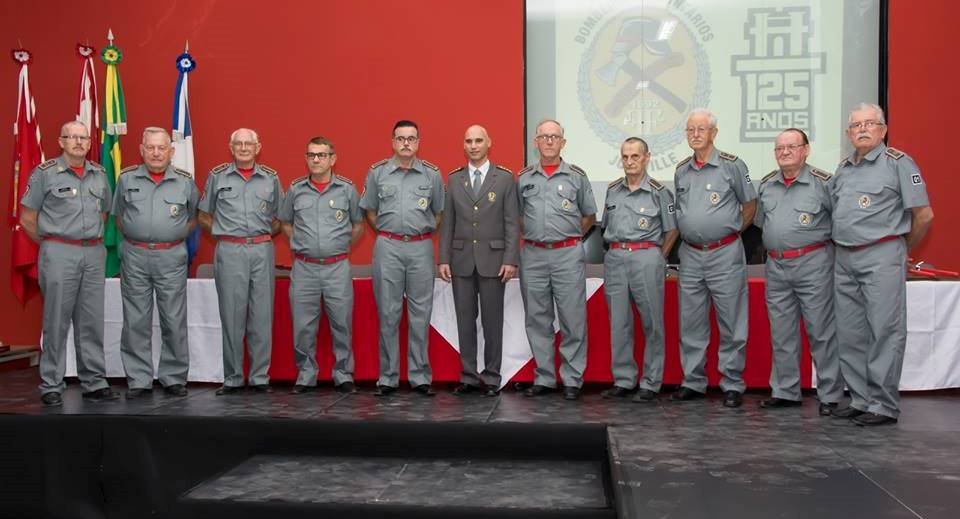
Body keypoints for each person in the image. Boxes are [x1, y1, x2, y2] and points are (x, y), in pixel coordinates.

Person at [830, 103, 934, 426]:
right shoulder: (843, 168)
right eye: (856, 125)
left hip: (882, 254)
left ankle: (883, 405)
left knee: (884, 331)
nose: (861, 129)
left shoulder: (898, 164)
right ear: (848, 133)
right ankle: (861, 399)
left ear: (883, 129)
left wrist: (899, 248)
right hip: (844, 257)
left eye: (869, 124)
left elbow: (924, 215)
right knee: (850, 333)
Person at [20, 121, 118, 406]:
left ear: (89, 143)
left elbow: (103, 215)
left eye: (83, 138)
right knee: (56, 320)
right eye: (71, 137)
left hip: (92, 253)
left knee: (91, 321)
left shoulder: (99, 174)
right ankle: (52, 382)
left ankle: (94, 381)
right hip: (59, 251)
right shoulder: (45, 174)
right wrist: (54, 245)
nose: (78, 142)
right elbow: (27, 219)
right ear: (61, 141)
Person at [754, 128, 843, 415]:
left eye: (791, 147)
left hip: (813, 263)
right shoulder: (767, 186)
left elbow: (840, 223)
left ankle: (829, 395)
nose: (785, 153)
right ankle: (785, 391)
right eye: (779, 148)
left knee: (821, 331)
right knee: (782, 333)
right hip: (777, 265)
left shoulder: (824, 184)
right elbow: (761, 223)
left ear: (806, 150)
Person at [673, 108, 757, 408]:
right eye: (690, 130)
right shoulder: (681, 170)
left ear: (714, 133)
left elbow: (750, 205)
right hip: (691, 255)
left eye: (701, 129)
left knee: (731, 320)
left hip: (725, 253)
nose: (695, 134)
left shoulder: (732, 166)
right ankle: (693, 381)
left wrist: (730, 232)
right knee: (691, 322)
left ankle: (732, 383)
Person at [359, 120, 445, 396]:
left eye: (411, 138)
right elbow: (370, 211)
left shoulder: (432, 175)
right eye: (401, 138)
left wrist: (419, 232)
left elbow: (439, 213)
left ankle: (420, 377)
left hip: (420, 249)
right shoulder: (377, 173)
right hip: (388, 247)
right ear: (393, 142)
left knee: (420, 315)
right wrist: (389, 233)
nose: (406, 143)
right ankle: (388, 377)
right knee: (388, 313)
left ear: (418, 142)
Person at [112, 127, 199, 398]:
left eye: (161, 148)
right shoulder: (126, 179)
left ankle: (173, 377)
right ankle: (139, 379)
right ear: (142, 150)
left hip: (171, 256)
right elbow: (118, 216)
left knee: (173, 318)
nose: (156, 153)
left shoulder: (185, 182)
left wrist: (172, 236)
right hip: (135, 255)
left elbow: (195, 217)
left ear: (171, 152)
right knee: (135, 320)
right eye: (150, 147)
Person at [198, 128, 282, 395]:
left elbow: (281, 218)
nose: (244, 148)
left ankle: (259, 378)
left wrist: (262, 236)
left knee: (261, 315)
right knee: (232, 316)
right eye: (239, 143)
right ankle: (233, 377)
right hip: (230, 251)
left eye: (249, 144)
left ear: (258, 148)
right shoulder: (217, 176)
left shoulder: (271, 178)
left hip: (261, 250)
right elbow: (203, 215)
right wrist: (224, 233)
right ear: (230, 147)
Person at [517, 119, 597, 401]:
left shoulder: (577, 176)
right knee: (537, 318)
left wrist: (570, 237)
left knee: (572, 317)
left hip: (567, 254)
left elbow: (589, 216)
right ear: (535, 142)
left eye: (554, 137)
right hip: (533, 254)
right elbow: (517, 216)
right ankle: (545, 377)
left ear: (563, 142)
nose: (549, 141)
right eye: (543, 137)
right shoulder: (524, 177)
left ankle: (573, 379)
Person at [438, 125, 519, 397]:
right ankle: (469, 376)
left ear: (489, 143)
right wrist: (443, 258)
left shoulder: (505, 179)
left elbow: (511, 223)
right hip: (461, 261)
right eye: (469, 141)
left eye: (478, 141)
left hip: (494, 261)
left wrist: (510, 258)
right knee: (464, 320)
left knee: (493, 321)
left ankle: (493, 376)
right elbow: (447, 223)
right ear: (464, 145)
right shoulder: (454, 179)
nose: (473, 145)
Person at [280, 137, 363, 394]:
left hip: (337, 267)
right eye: (312, 155)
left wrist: (340, 245)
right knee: (303, 325)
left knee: (342, 323)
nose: (316, 160)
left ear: (332, 158)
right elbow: (285, 222)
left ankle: (343, 374)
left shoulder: (347, 189)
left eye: (322, 155)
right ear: (306, 158)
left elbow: (358, 224)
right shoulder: (295, 190)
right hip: (304, 267)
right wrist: (300, 244)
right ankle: (306, 375)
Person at [600, 137, 678, 403]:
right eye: (625, 157)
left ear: (646, 158)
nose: (630, 162)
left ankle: (651, 382)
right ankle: (623, 379)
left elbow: (672, 229)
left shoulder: (659, 191)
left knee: (652, 323)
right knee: (619, 323)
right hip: (616, 257)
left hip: (646, 257)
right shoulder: (612, 190)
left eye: (635, 156)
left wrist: (658, 255)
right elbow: (605, 226)